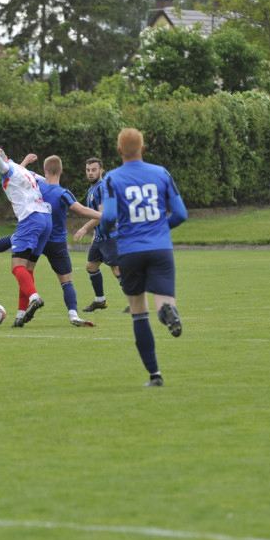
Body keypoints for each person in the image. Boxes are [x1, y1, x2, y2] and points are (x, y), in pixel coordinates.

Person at [100, 128, 188, 386]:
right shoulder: (161, 173)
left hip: (130, 251)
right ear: (143, 148)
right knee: (163, 303)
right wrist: (159, 229)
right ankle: (168, 312)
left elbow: (107, 217)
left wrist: (106, 233)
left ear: (118, 151)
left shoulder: (112, 179)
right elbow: (181, 213)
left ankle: (155, 374)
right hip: (160, 248)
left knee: (139, 313)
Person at [0, 155, 101, 327]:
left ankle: (21, 312)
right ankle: (73, 315)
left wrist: (24, 162)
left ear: (45, 171)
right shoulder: (63, 193)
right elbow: (81, 210)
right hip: (55, 240)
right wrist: (104, 216)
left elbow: (16, 176)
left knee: (25, 270)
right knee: (66, 281)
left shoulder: (37, 185)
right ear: (62, 171)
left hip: (35, 234)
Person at [0, 147, 51, 328]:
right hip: (46, 218)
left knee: (17, 268)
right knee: (27, 271)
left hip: (30, 219)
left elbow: (3, 170)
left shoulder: (2, 170)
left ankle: (34, 297)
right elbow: (45, 180)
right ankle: (20, 316)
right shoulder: (24, 170)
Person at [74, 158, 126, 313]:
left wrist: (84, 228)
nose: (90, 173)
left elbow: (103, 215)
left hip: (111, 236)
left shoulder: (103, 187)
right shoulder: (92, 189)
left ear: (101, 170)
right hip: (100, 237)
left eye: (94, 170)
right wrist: (95, 233)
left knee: (116, 270)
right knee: (91, 267)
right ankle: (100, 301)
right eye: (88, 170)